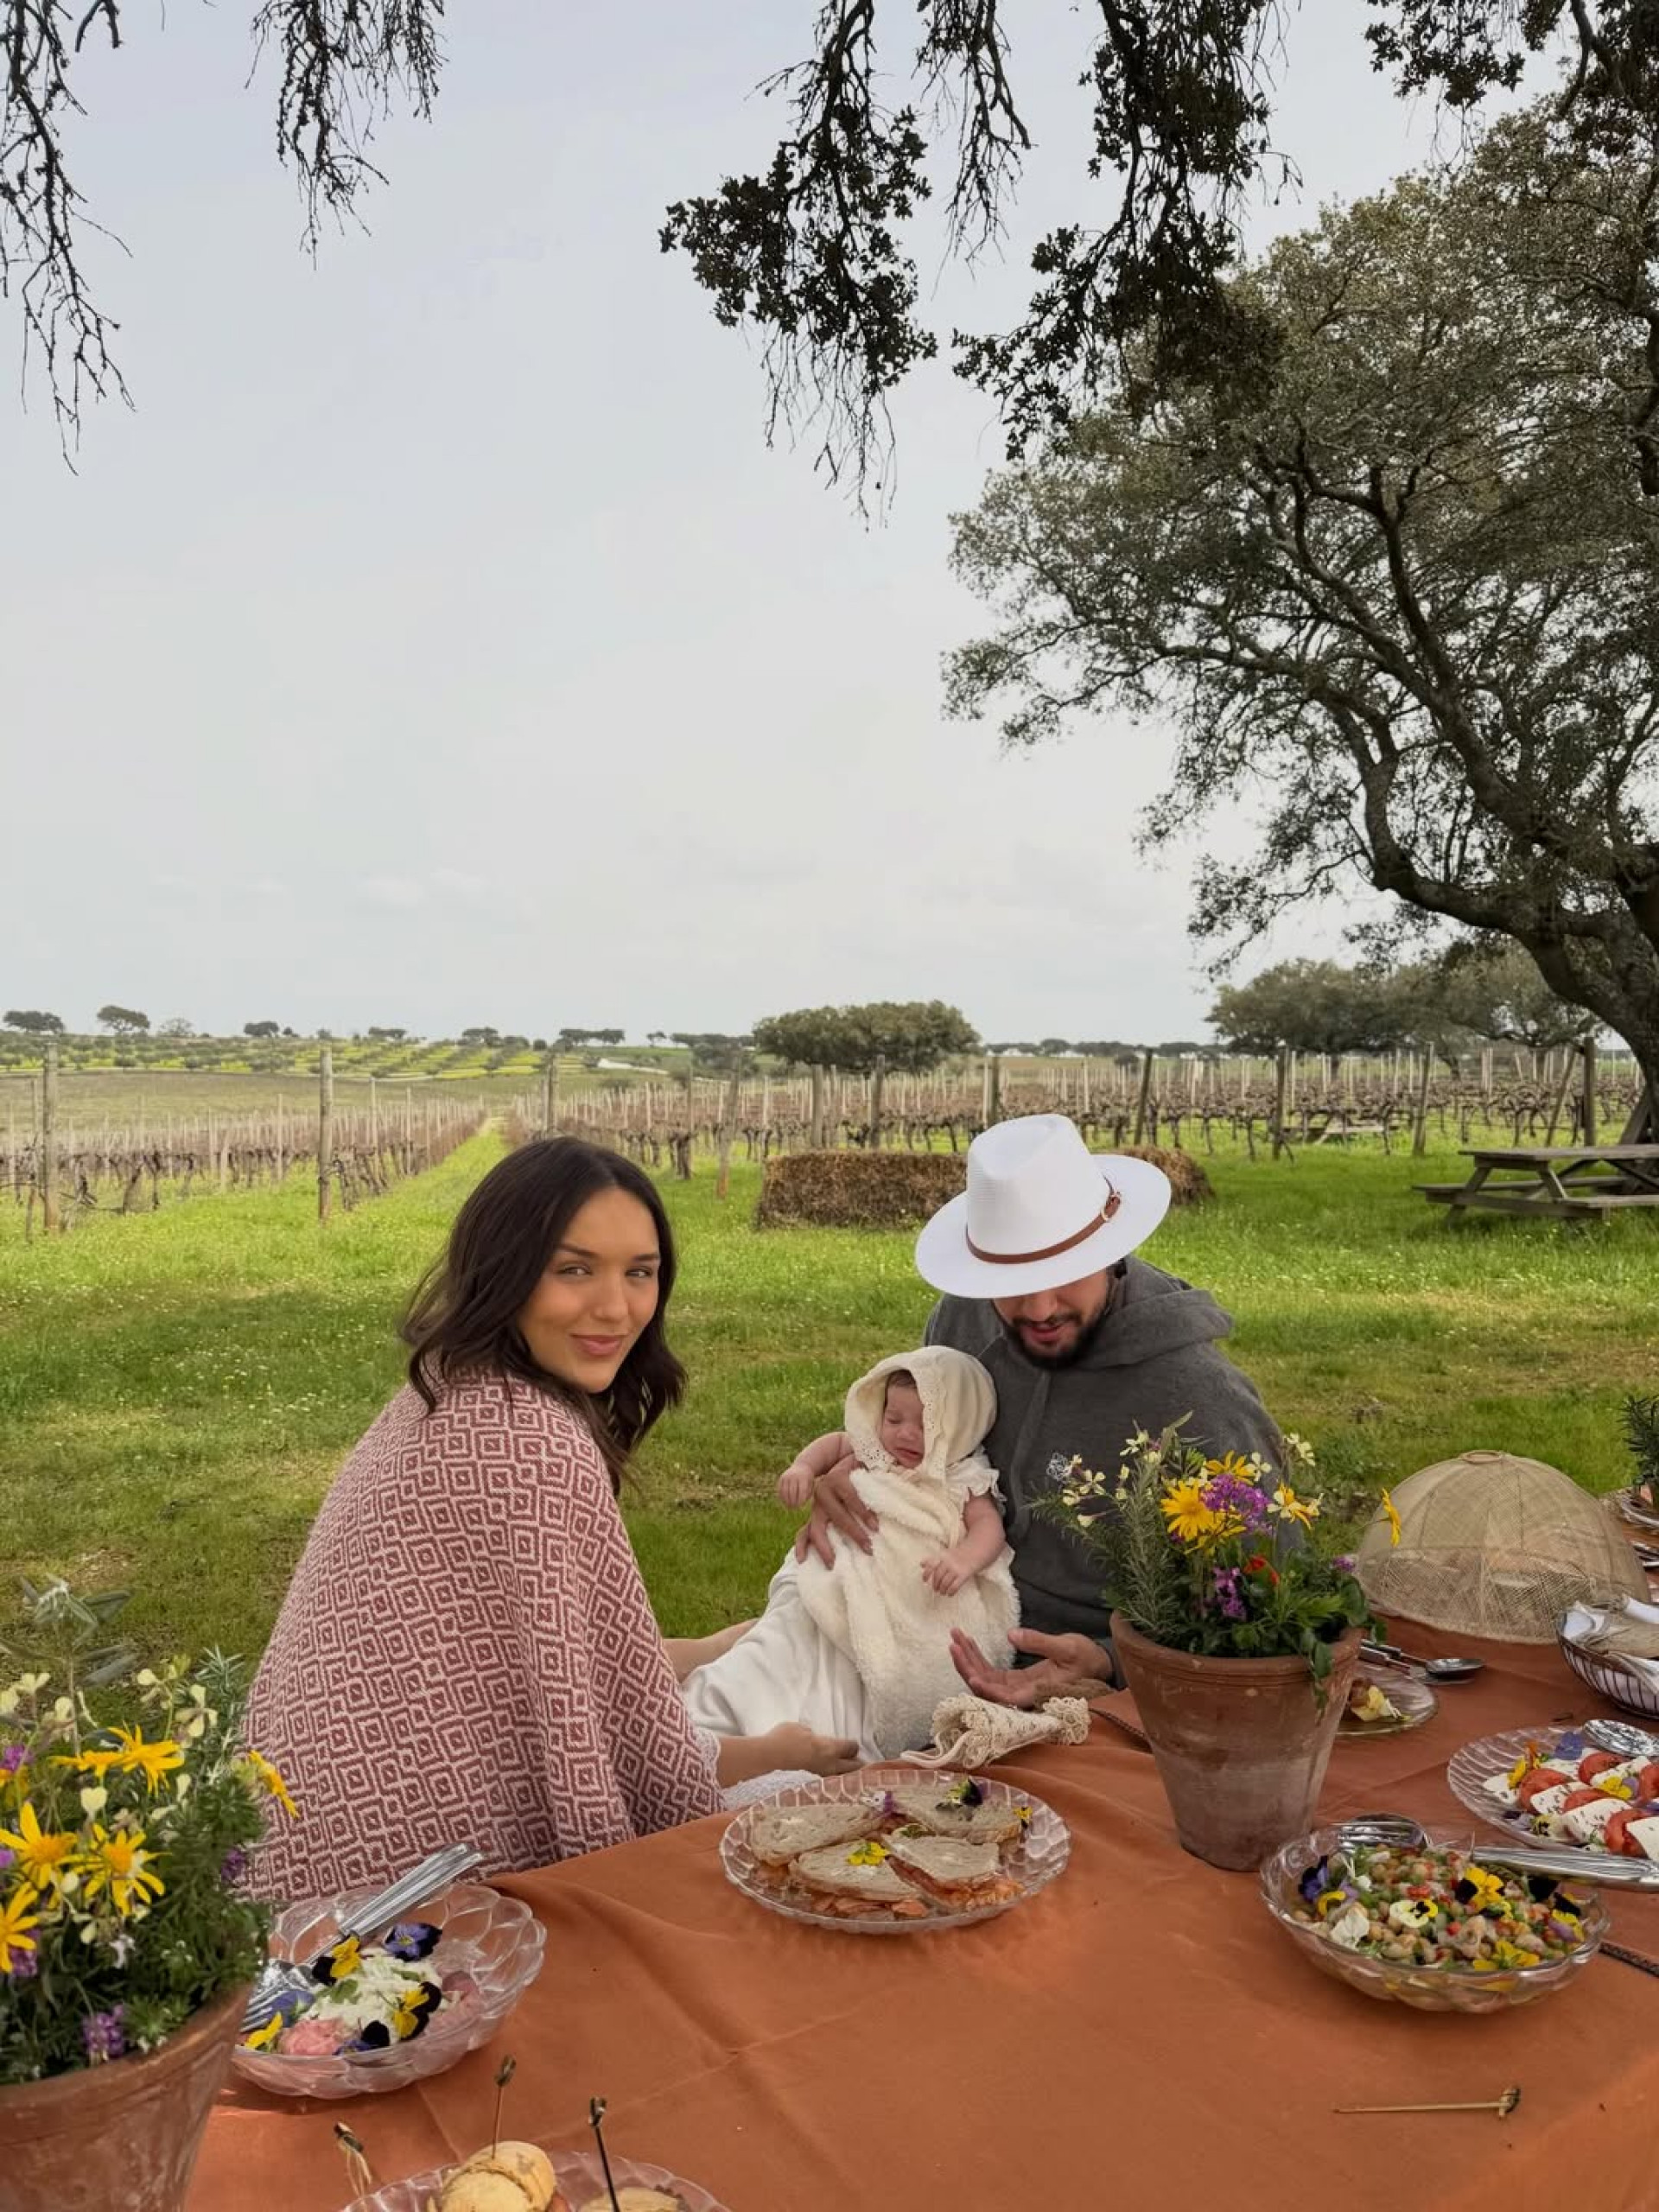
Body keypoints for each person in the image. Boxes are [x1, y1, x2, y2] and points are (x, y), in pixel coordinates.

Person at [245, 1138, 856, 1900]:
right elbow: (629, 1752)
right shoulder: (531, 1446)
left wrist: (699, 1651)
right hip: (405, 1895)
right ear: (504, 1271)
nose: (616, 1308)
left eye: (640, 1272)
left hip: (285, 1849)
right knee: (816, 1829)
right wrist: (777, 1753)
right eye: (574, 1270)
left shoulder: (444, 1387)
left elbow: (528, 1661)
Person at [796, 1114, 1285, 1705]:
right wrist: (859, 1470)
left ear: (1112, 1249)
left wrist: (1110, 1662)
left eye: (1064, 1273)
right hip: (920, 1624)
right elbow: (926, 1445)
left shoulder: (1202, 1399)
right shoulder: (961, 1322)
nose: (1039, 1308)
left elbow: (1269, 1608)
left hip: (1100, 1689)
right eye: (1012, 1281)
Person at [682, 1347, 1018, 1761]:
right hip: (839, 1575)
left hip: (909, 1595)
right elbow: (835, 1443)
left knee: (855, 1677)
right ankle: (730, 1708)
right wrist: (803, 1469)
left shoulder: (963, 1474)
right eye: (894, 1419)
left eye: (924, 1424)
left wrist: (962, 1559)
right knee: (787, 1643)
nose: (905, 1435)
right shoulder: (876, 1449)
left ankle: (821, 1729)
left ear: (959, 1427)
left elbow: (988, 1527)